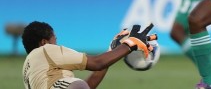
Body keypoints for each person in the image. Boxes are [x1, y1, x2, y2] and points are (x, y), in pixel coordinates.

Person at [21, 21, 155, 89]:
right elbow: (97, 63)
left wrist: (111, 52)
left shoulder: (28, 68)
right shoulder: (46, 50)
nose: (56, 44)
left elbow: (87, 86)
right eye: (54, 39)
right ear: (44, 42)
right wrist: (130, 44)